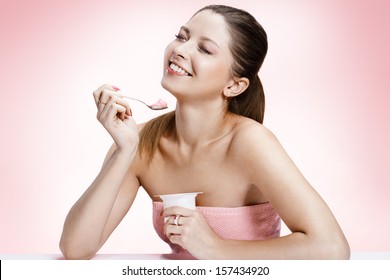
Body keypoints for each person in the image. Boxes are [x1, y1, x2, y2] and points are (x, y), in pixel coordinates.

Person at [59, 4, 350, 260]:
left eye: (205, 49)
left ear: (234, 85)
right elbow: (76, 249)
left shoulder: (250, 143)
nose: (180, 50)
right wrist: (124, 151)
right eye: (182, 36)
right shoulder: (141, 143)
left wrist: (216, 248)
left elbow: (331, 247)